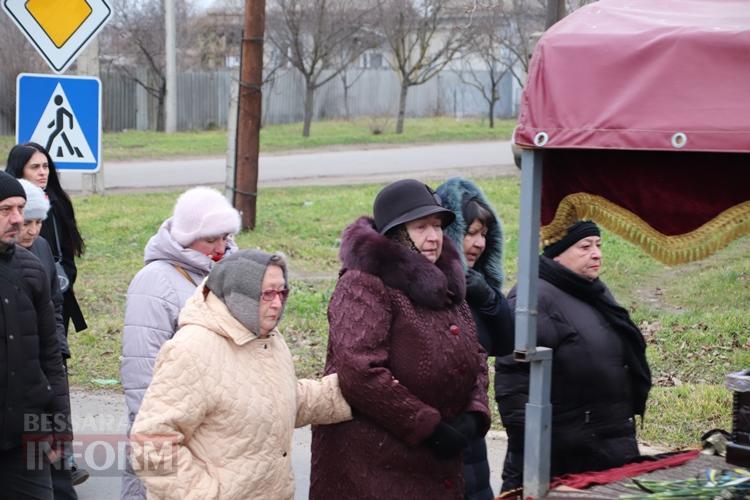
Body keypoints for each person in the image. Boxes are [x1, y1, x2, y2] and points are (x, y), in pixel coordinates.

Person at [310, 179, 491, 500]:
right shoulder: (362, 285)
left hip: (438, 463)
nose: (434, 237)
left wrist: (475, 413)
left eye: (437, 225)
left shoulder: (446, 283)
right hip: (375, 466)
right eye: (421, 227)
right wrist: (426, 426)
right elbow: (360, 371)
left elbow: (475, 353)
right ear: (395, 233)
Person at [130, 250, 352, 500]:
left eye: (282, 292)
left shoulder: (269, 340)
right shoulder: (191, 350)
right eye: (268, 294)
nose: (278, 303)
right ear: (238, 296)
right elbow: (150, 444)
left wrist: (357, 391)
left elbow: (282, 400)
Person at [495, 220, 652, 492]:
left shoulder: (593, 291)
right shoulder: (533, 299)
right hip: (564, 463)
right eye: (585, 246)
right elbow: (514, 388)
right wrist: (538, 458)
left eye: (599, 245)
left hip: (607, 450)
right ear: (557, 251)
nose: (597, 253)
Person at [120, 186, 240, 500]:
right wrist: (153, 431)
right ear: (187, 237)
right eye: (210, 239)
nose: (220, 247)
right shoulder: (155, 280)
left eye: (225, 237)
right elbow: (141, 365)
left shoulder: (229, 275)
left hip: (215, 427)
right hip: (171, 426)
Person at [436, 177, 514, 500]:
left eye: (484, 235)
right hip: (439, 436)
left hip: (473, 431)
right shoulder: (433, 288)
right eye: (470, 233)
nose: (479, 244)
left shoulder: (478, 287)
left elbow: (506, 341)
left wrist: (487, 295)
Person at [0, 171, 71, 499]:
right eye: (5, 210)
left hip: (26, 436)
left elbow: (50, 357)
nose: (17, 219)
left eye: (20, 208)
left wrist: (59, 428)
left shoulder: (32, 270)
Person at [17, 178, 82, 498]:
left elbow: (55, 304)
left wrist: (58, 344)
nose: (31, 231)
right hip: (20, 373)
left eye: (38, 223)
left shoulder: (41, 248)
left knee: (53, 437)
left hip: (47, 357)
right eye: (26, 222)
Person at [5, 143, 87, 338]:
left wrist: (63, 276)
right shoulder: (7, 206)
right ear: (19, 170)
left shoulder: (58, 202)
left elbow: (69, 250)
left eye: (46, 166)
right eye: (35, 167)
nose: (42, 172)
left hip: (56, 288)